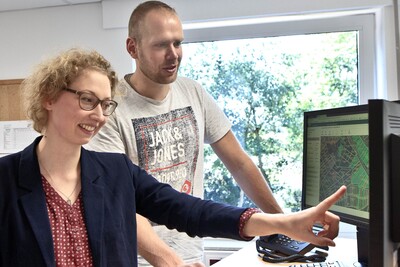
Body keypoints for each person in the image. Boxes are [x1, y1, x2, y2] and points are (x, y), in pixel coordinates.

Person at [0, 47, 347, 267]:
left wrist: (285, 222)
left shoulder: (114, 172)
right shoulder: (6, 179)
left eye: (106, 105)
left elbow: (189, 210)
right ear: (48, 97)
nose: (99, 115)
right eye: (87, 100)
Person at [86, 1, 284, 265]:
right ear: (132, 47)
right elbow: (119, 202)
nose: (173, 54)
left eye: (177, 43)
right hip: (140, 260)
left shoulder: (194, 93)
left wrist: (283, 224)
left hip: (192, 255)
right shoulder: (110, 110)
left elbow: (239, 163)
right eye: (160, 45)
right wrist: (171, 262)